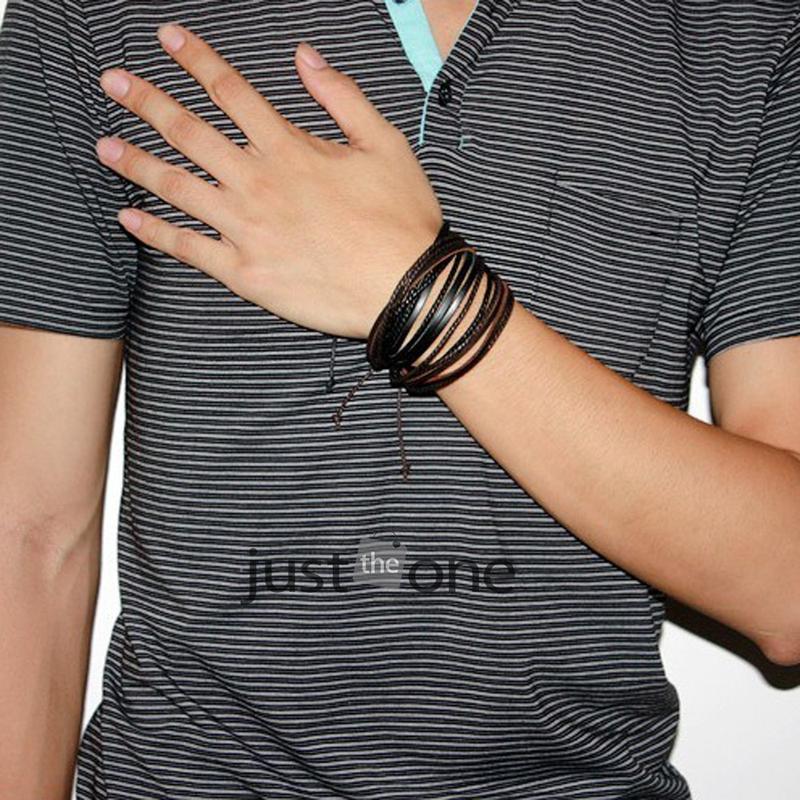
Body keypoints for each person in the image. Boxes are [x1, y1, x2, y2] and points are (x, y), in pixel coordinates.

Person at [1, 1, 799, 798]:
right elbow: (30, 536)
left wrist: (414, 288)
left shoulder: (748, 30)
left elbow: (786, 589)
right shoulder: (97, 17)